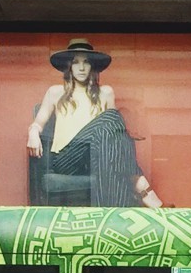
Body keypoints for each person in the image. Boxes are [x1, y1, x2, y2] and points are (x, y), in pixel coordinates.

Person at [27, 39, 164, 208]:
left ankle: (110, 216)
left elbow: (116, 136)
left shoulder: (105, 92)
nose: (82, 68)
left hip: (96, 159)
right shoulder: (55, 92)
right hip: (66, 159)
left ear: (93, 66)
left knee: (114, 129)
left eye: (86, 63)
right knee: (113, 117)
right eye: (76, 63)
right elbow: (39, 121)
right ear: (69, 66)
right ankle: (140, 184)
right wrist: (33, 133)